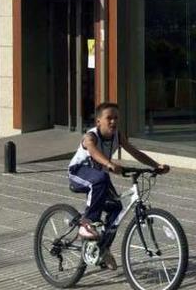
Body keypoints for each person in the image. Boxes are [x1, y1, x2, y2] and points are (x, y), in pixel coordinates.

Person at [67, 102, 170, 270]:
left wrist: (156, 165)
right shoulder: (91, 136)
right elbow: (92, 150)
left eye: (116, 118)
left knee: (116, 207)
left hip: (99, 177)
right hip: (78, 173)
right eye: (109, 118)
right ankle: (87, 224)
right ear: (98, 121)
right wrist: (108, 163)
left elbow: (135, 152)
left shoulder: (118, 136)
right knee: (100, 178)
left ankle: (103, 248)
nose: (113, 122)